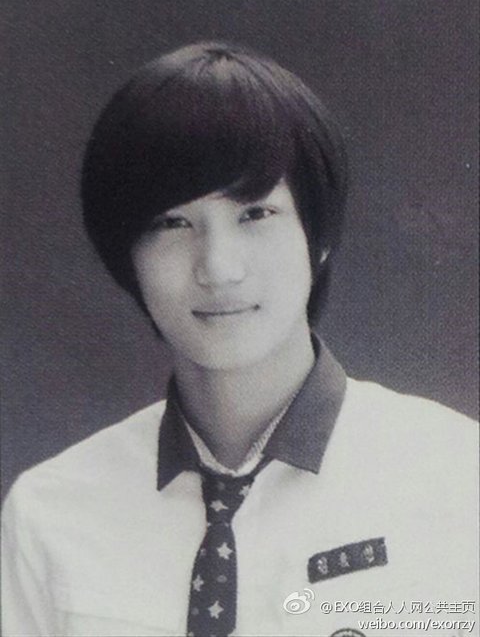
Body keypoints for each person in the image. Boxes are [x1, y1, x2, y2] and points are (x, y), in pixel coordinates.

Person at [2, 41, 478, 637]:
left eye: (255, 214)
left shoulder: (456, 478)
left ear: (319, 238)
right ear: (127, 259)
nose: (218, 268)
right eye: (172, 223)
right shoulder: (51, 514)